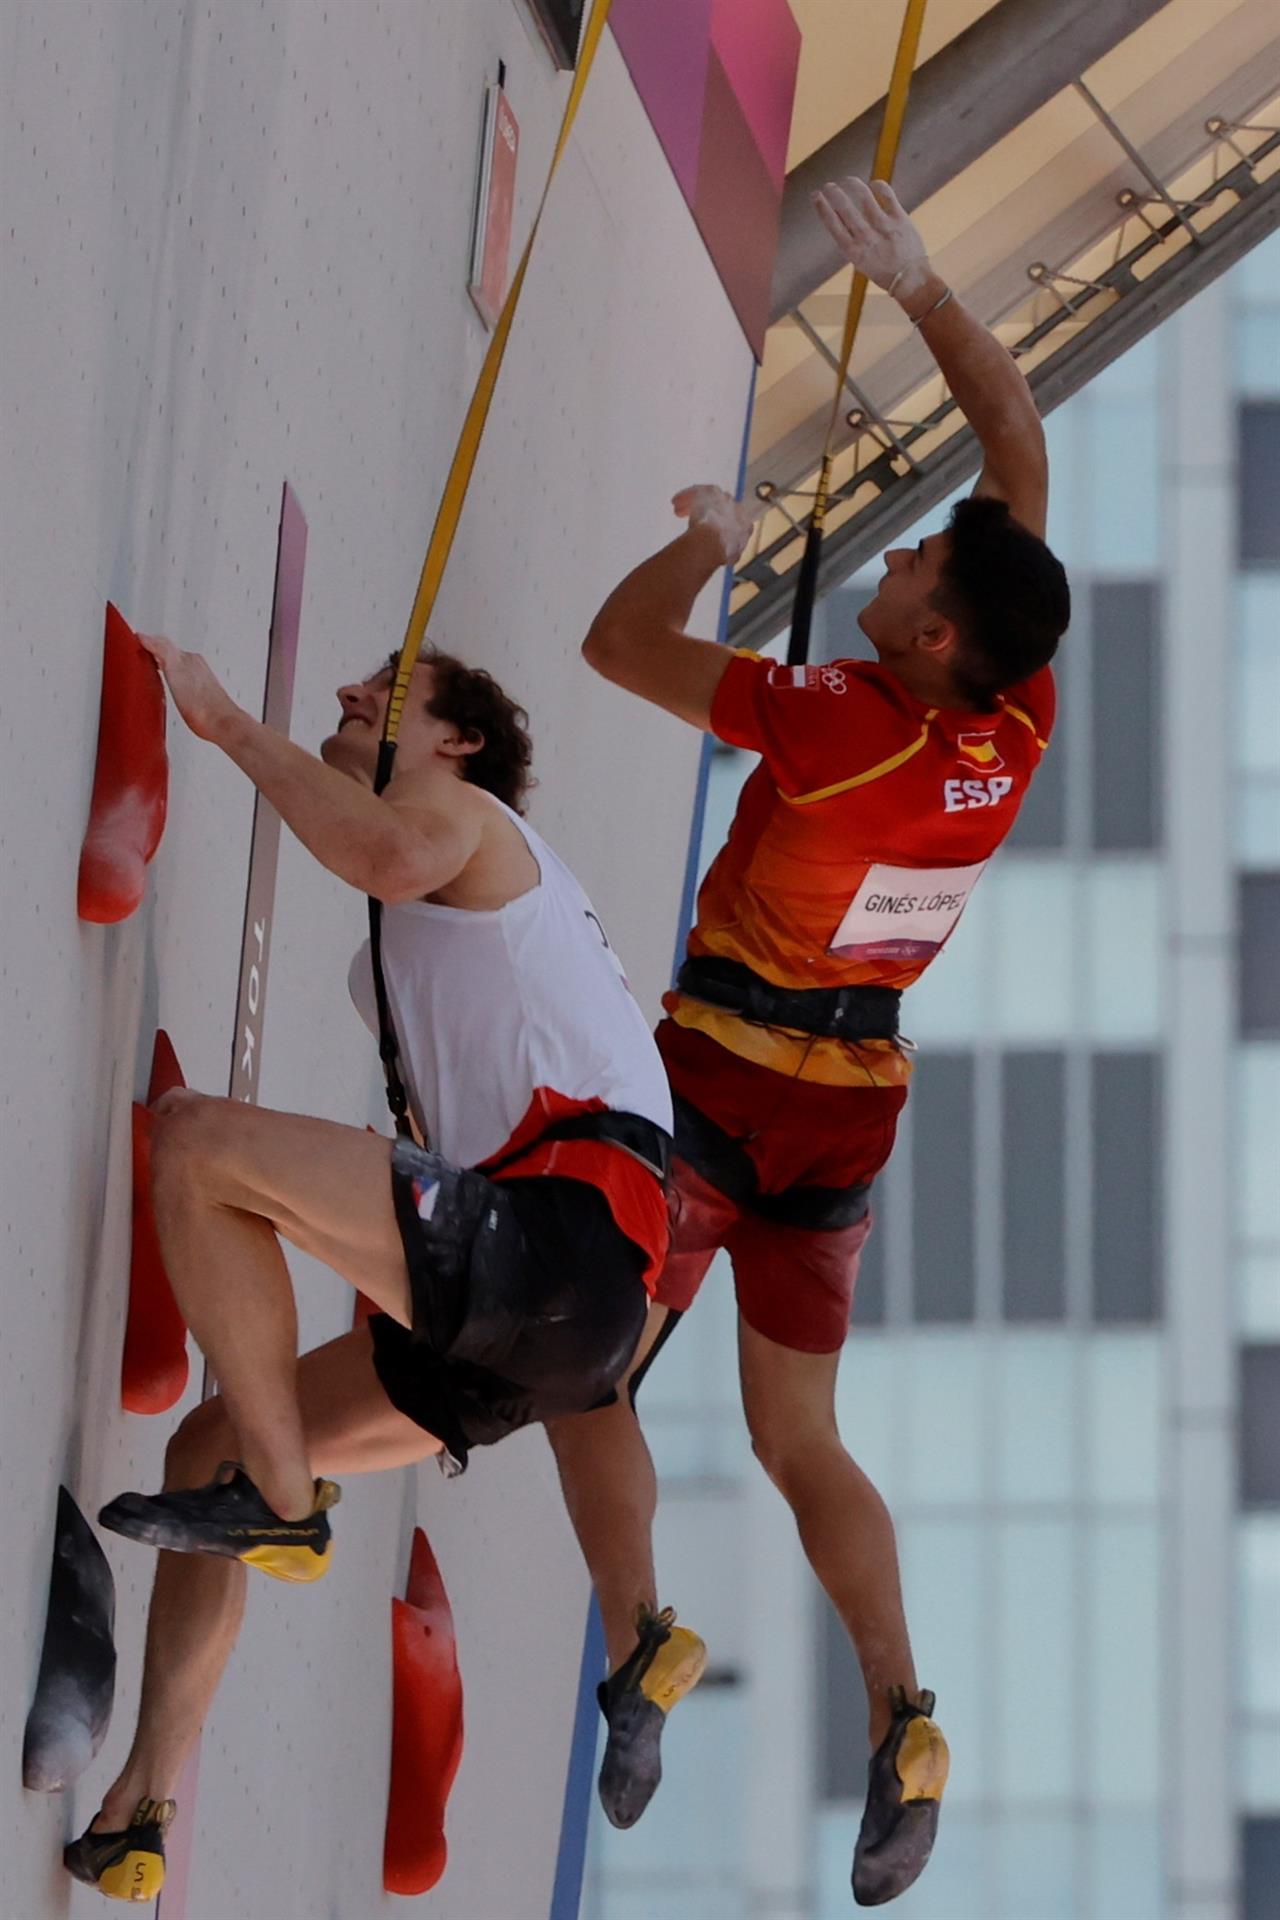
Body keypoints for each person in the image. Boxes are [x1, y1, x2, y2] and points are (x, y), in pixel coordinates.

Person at [546, 177, 1071, 1907]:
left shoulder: (836, 721)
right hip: (855, 1110)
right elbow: (1017, 457)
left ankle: (639, 1646)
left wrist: (706, 538)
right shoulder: (1012, 711)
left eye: (916, 561)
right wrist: (924, 291)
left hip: (721, 1082)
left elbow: (616, 648)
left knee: (596, 1369)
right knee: (799, 1439)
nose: (910, 547)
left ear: (923, 641)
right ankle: (902, 1706)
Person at [65, 641, 673, 1903]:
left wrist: (229, 723)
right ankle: (143, 1812)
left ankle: (285, 1501)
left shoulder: (462, 815)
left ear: (453, 743)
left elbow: (385, 850)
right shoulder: (426, 934)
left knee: (194, 1143)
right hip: (557, 1302)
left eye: (389, 692)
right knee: (212, 1444)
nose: (349, 694)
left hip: (560, 1232)